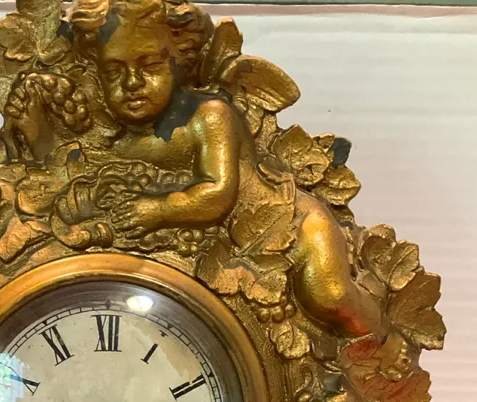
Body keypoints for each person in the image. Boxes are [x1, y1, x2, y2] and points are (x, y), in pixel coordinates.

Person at [71, 0, 386, 340]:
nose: (132, 82)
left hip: (291, 227)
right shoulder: (117, 134)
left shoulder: (210, 116)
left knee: (329, 295)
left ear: (180, 61)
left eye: (150, 65)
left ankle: (383, 339)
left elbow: (219, 193)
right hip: (237, 253)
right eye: (113, 72)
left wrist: (157, 210)